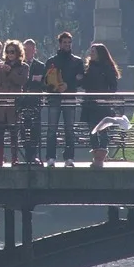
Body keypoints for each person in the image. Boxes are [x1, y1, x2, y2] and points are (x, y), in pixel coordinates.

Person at [0, 39, 30, 167]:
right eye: (8, 52)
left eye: (13, 52)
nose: (10, 54)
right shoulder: (0, 65)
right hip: (0, 102)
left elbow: (22, 81)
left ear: (18, 53)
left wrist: (10, 71)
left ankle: (15, 158)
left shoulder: (24, 67)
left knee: (14, 132)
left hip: (13, 102)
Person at [43, 32, 84, 167]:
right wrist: (53, 85)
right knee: (51, 130)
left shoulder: (77, 61)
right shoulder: (51, 61)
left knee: (69, 130)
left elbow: (81, 80)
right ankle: (50, 157)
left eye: (69, 42)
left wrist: (67, 84)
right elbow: (45, 81)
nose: (67, 45)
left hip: (70, 98)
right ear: (59, 44)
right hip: (54, 98)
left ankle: (69, 158)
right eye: (64, 42)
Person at [80, 43, 121, 167]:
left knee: (103, 131)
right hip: (90, 103)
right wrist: (81, 78)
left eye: (94, 51)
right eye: (91, 51)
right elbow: (85, 85)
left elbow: (113, 86)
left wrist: (105, 97)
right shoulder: (89, 67)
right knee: (92, 131)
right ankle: (96, 155)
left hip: (102, 104)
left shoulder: (107, 67)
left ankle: (101, 156)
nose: (91, 54)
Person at [20, 38, 46, 164]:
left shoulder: (40, 66)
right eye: (25, 50)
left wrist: (37, 80)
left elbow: (44, 83)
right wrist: (33, 79)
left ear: (35, 50)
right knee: (23, 129)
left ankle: (34, 155)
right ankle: (26, 154)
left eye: (30, 50)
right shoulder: (19, 65)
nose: (28, 52)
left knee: (35, 129)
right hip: (22, 101)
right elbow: (21, 81)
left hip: (35, 101)